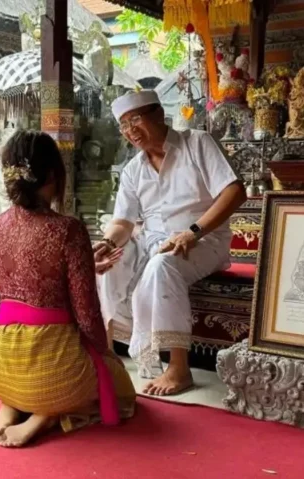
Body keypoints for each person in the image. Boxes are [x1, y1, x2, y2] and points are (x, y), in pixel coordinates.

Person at [0, 130, 136, 448]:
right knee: (117, 382)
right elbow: (86, 311)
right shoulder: (67, 229)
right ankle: (45, 415)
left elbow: (21, 282)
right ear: (53, 174)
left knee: (28, 374)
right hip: (52, 369)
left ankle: (11, 404)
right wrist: (103, 354)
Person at [95, 90, 247, 396]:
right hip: (153, 242)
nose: (130, 130)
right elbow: (123, 222)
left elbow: (234, 191)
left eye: (135, 119)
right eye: (123, 125)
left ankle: (179, 367)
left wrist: (193, 231)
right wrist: (107, 243)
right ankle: (107, 355)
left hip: (203, 240)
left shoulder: (197, 143)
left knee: (162, 265)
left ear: (158, 114)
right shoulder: (133, 169)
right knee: (110, 264)